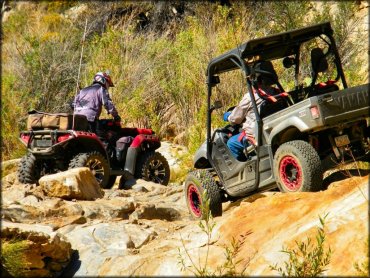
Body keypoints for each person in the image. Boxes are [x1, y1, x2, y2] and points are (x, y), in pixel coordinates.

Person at [223, 60, 281, 161]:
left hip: (256, 135)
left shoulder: (250, 97)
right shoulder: (276, 92)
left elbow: (235, 119)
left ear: (255, 78)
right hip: (274, 128)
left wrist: (228, 116)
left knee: (231, 143)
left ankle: (246, 169)